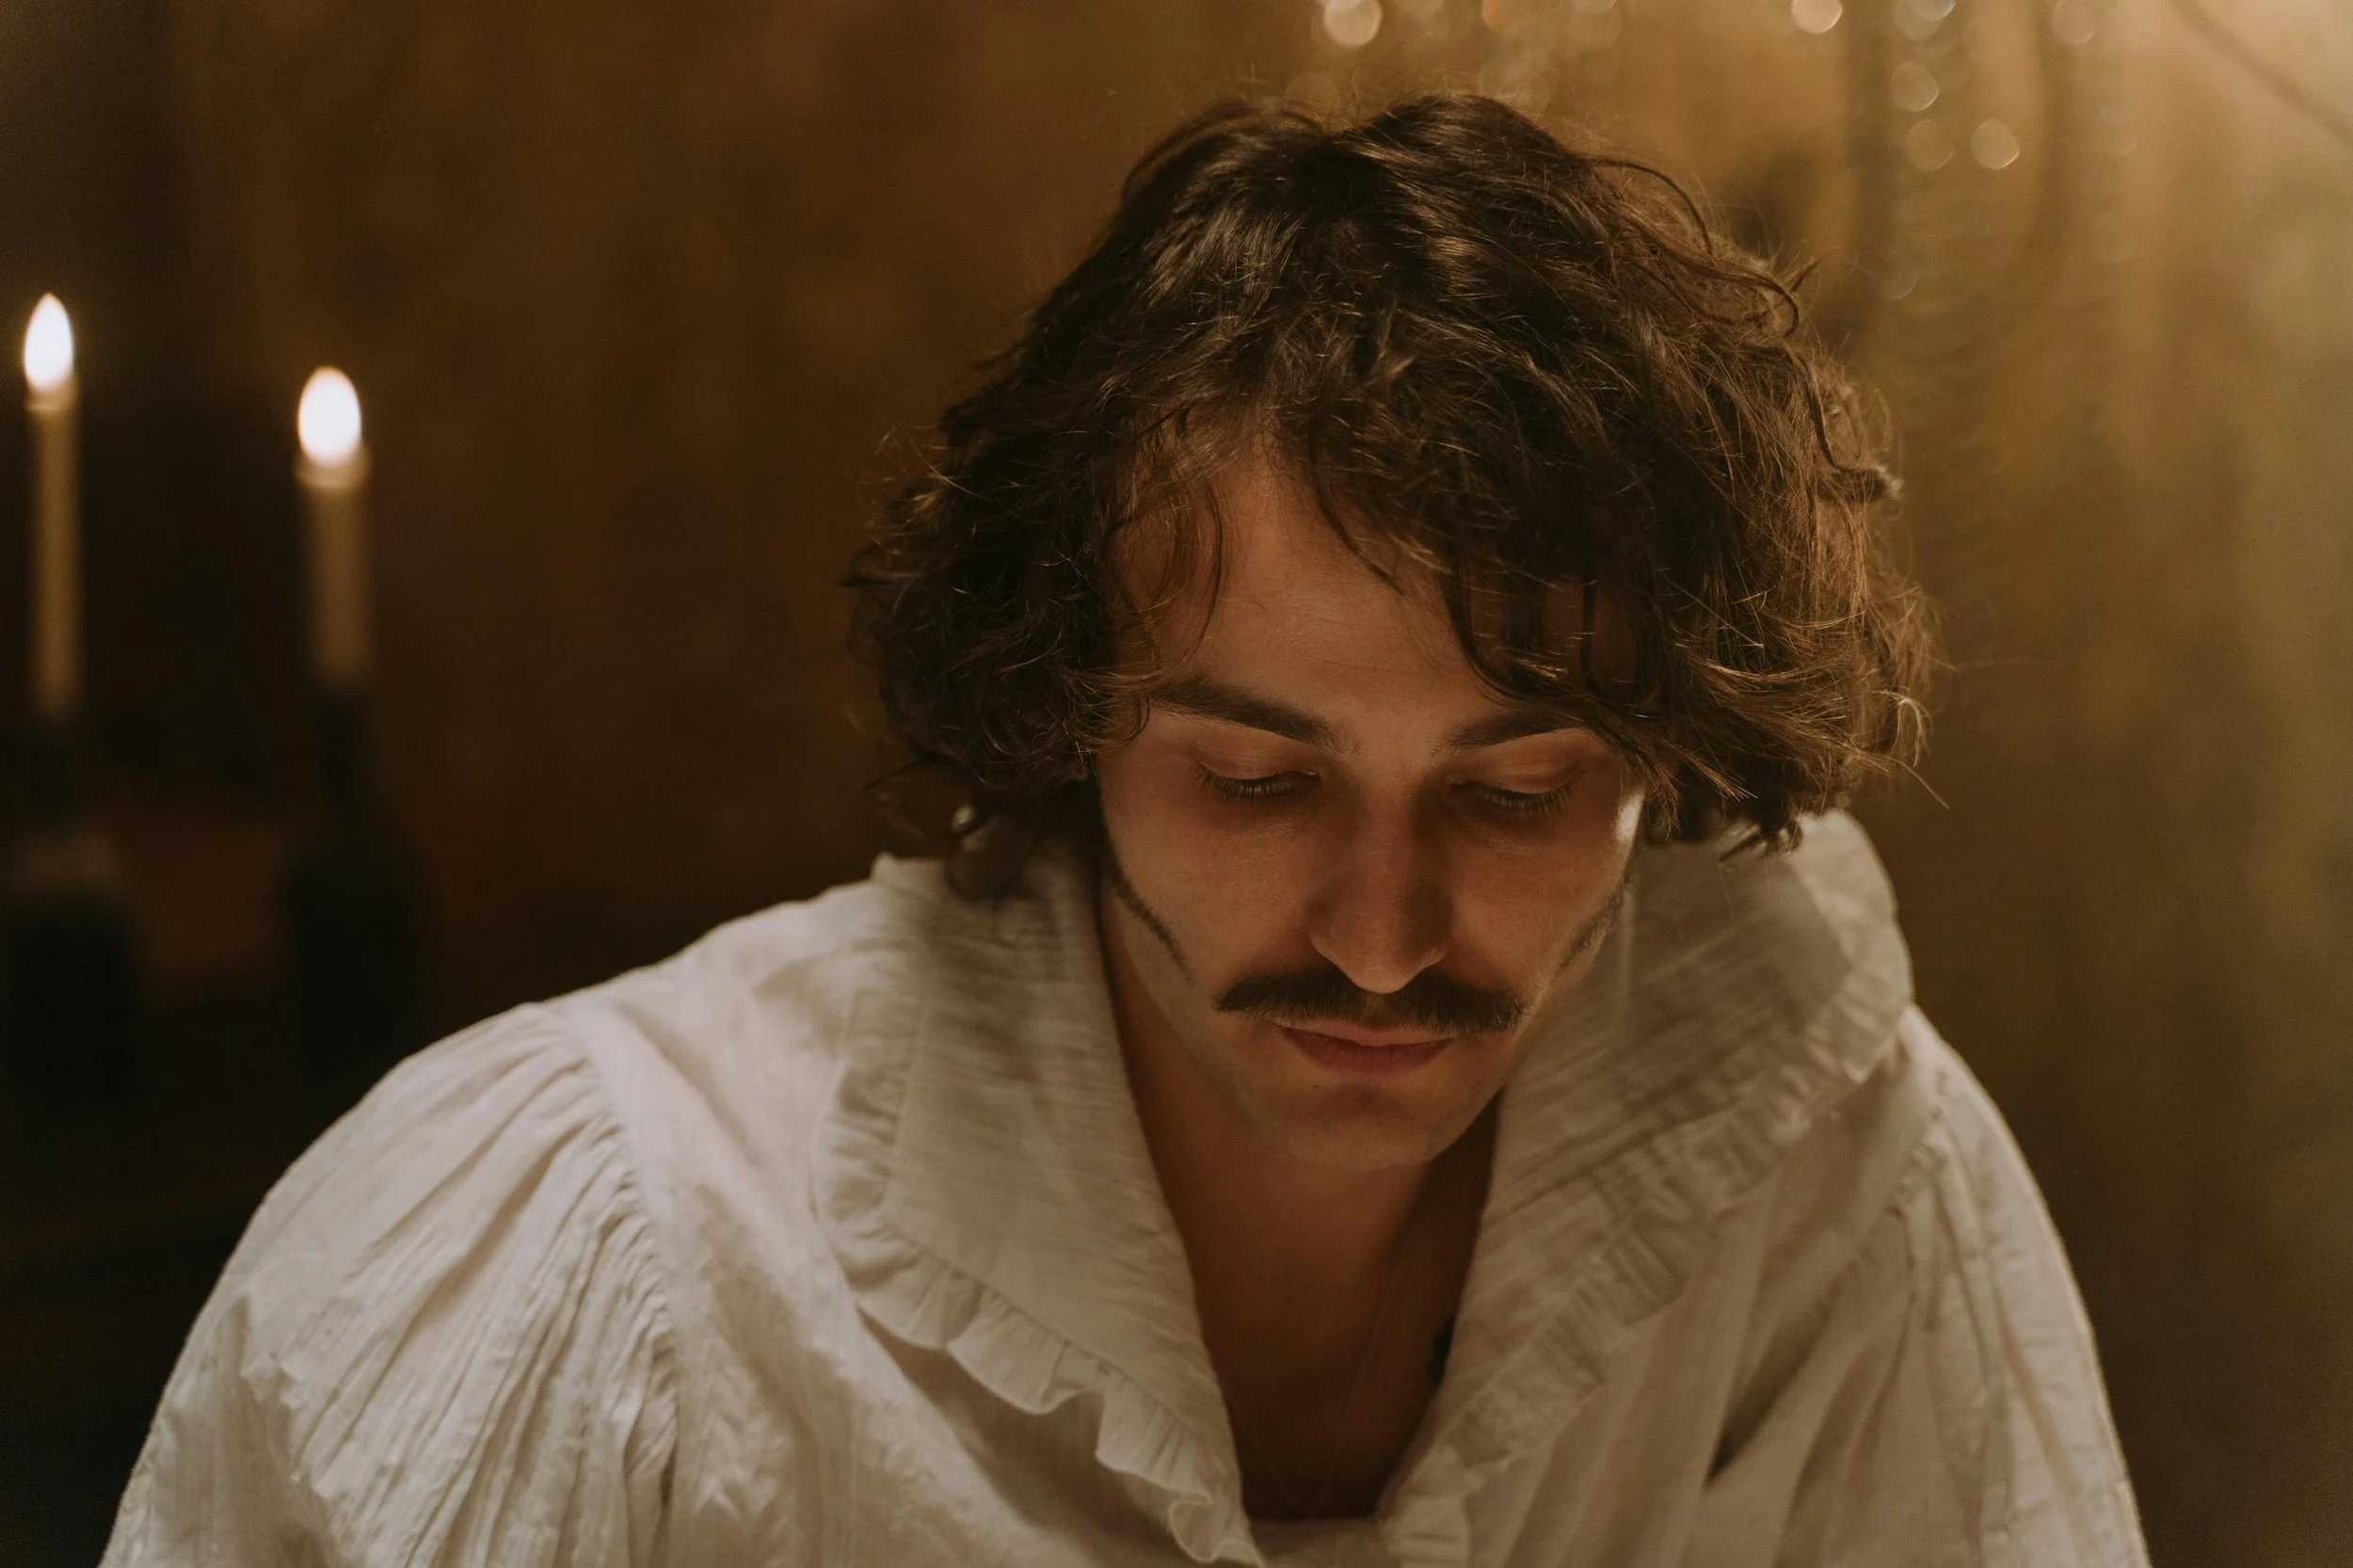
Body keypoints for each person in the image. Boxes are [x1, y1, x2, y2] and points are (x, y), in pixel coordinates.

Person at [102, 95, 2149, 1567]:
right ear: (1059, 714)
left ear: (1667, 763)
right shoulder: (607, 1251)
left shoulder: (1817, 1161)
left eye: (1513, 791)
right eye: (1254, 780)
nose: (1374, 932)